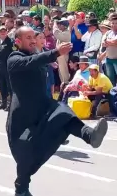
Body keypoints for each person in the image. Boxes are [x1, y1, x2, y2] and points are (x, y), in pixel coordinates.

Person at [7, 26, 108, 196]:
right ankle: (21, 188)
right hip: (22, 116)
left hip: (43, 107)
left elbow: (39, 62)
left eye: (34, 37)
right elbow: (30, 63)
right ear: (18, 41)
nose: (33, 40)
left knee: (63, 113)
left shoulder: (36, 56)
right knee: (26, 155)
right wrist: (55, 52)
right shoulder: (14, 58)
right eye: (28, 37)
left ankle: (89, 135)